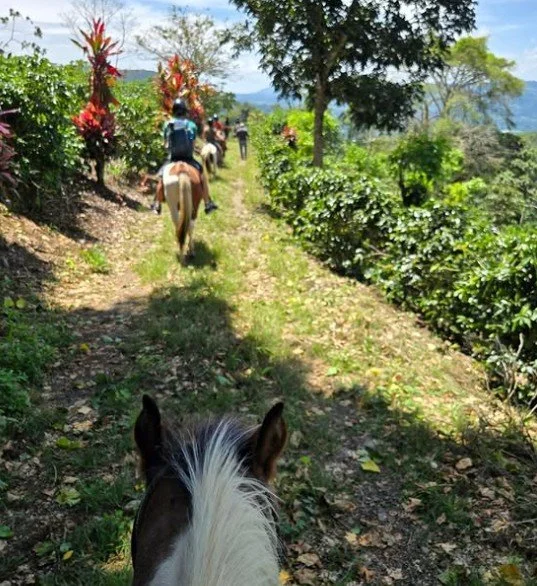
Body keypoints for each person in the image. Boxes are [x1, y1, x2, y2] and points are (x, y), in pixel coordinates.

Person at [151, 99, 218, 215]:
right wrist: (195, 149)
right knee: (201, 177)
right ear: (185, 111)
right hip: (188, 159)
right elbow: (192, 143)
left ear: (174, 111)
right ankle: (208, 203)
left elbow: (166, 144)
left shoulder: (168, 124)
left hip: (173, 158)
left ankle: (157, 203)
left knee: (161, 177)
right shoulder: (191, 125)